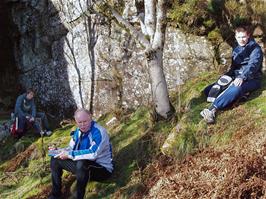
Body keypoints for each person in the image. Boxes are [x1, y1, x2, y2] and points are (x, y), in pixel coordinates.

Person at [200, 24, 263, 124]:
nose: (241, 39)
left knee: (236, 88)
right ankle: (234, 96)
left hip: (252, 78)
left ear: (248, 35)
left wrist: (242, 77)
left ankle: (212, 109)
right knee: (208, 90)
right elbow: (234, 65)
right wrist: (228, 75)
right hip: (236, 75)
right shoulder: (236, 47)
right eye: (239, 37)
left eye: (243, 37)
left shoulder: (255, 49)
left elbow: (253, 66)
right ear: (235, 36)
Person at [48, 108, 113, 199]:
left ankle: (78, 197)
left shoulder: (99, 132)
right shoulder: (78, 131)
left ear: (90, 117)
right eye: (79, 122)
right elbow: (70, 148)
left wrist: (70, 154)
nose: (82, 125)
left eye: (85, 121)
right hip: (82, 167)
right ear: (76, 121)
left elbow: (93, 153)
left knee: (82, 163)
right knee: (55, 159)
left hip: (102, 169)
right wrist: (58, 150)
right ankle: (55, 195)